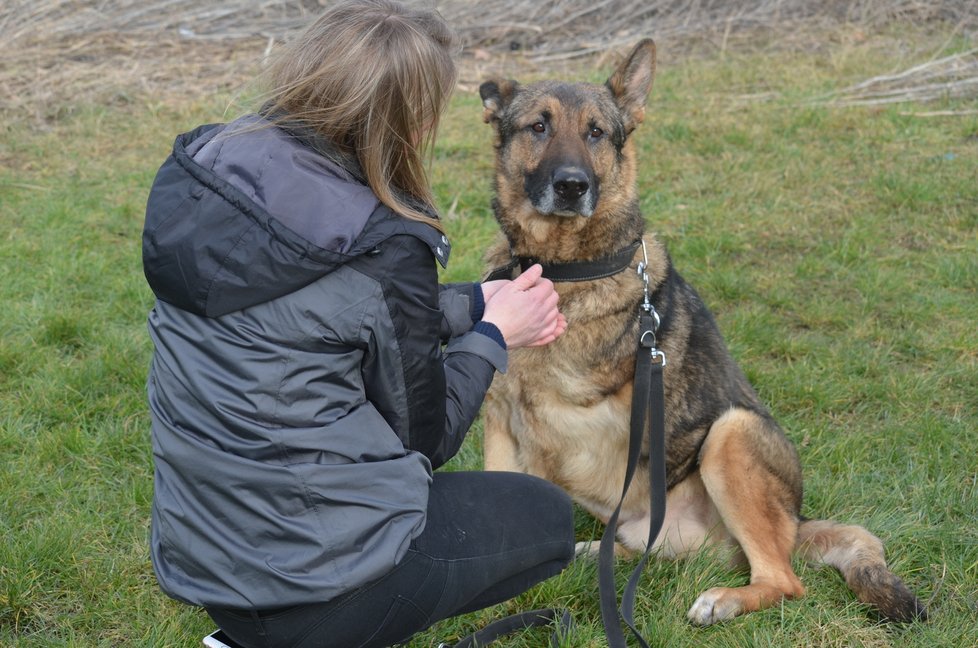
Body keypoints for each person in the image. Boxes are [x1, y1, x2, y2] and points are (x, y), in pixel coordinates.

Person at [141, 1, 576, 647]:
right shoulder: (380, 245)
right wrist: (492, 338)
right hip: (318, 585)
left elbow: (313, 316)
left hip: (202, 554)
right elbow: (426, 439)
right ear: (409, 118)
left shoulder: (210, 167)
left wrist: (475, 302)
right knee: (547, 520)